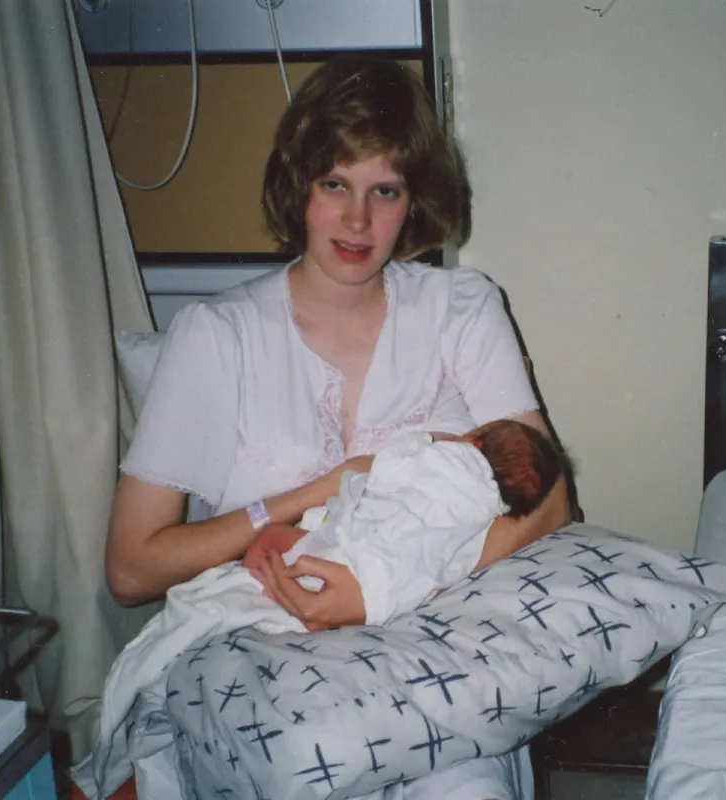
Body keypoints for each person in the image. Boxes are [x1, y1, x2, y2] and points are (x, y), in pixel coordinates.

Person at [104, 55, 572, 800]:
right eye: (334, 185)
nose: (358, 221)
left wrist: (380, 590)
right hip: (260, 643)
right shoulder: (217, 337)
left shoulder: (461, 309)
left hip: (436, 638)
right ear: (299, 187)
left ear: (413, 200)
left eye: (384, 190)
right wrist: (312, 493)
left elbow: (551, 504)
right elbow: (131, 570)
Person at [242, 419, 566, 623]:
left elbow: (386, 470)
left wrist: (424, 440)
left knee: (271, 537)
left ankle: (246, 580)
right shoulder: (485, 515)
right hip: (387, 587)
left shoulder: (445, 457)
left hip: (354, 546)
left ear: (474, 442)